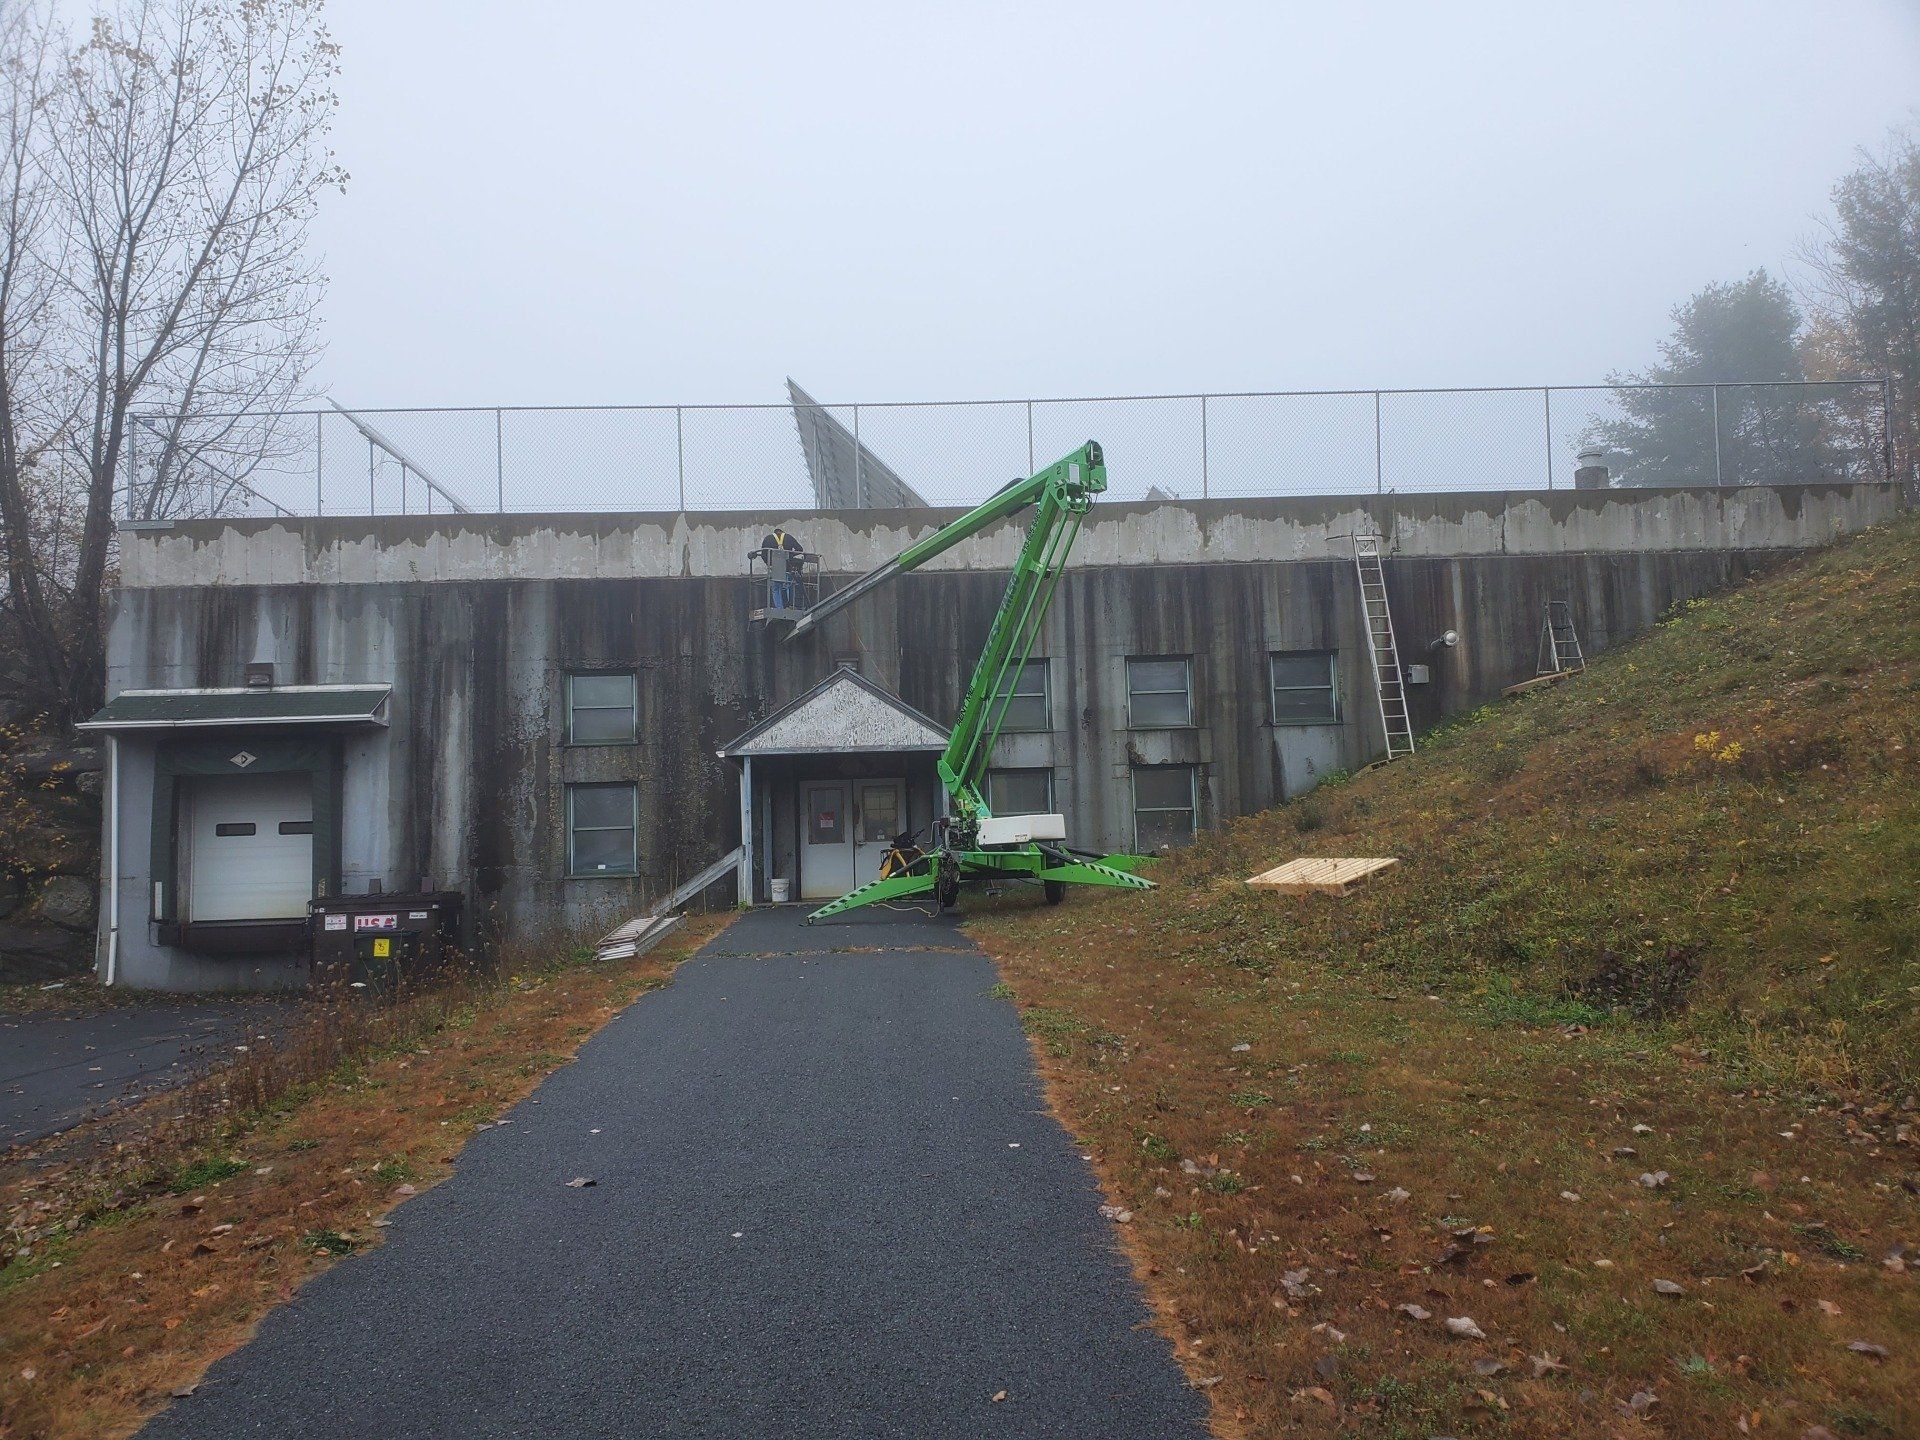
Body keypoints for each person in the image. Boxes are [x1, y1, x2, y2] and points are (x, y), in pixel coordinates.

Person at [759, 525, 804, 609]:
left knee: (776, 588)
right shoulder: (789, 537)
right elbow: (800, 549)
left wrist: (769, 564)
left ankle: (779, 608)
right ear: (782, 532)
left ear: (774, 532)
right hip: (788, 566)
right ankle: (790, 605)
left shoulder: (768, 539)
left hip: (775, 567)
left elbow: (763, 554)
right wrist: (790, 555)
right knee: (789, 584)